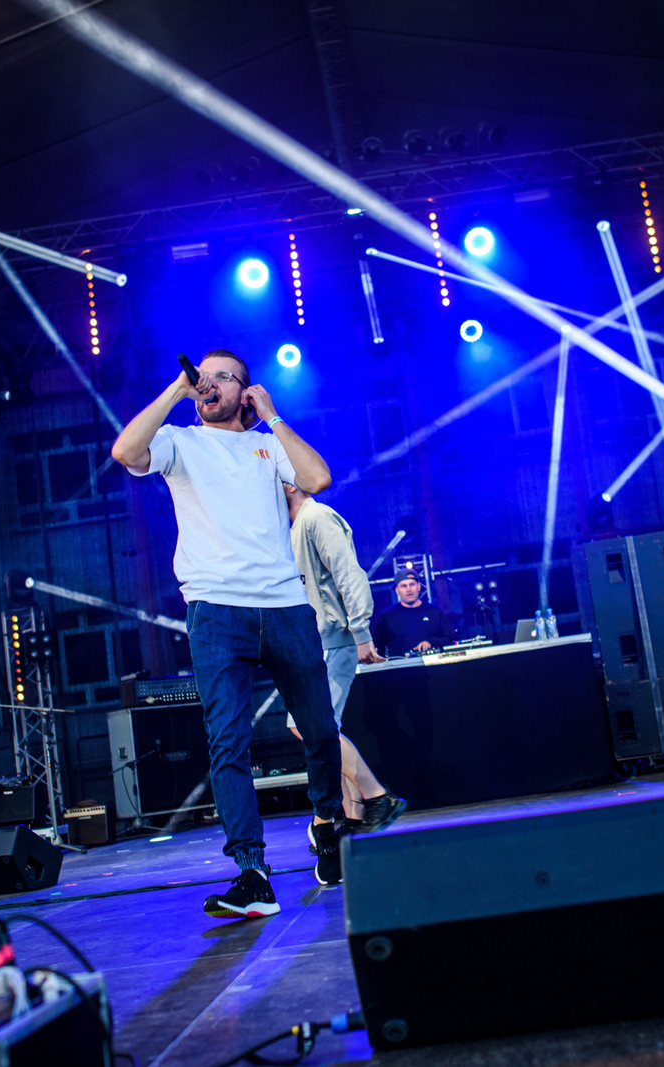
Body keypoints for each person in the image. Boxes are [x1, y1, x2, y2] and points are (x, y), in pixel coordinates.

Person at [113, 349, 346, 921]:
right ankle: (252, 872)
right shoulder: (180, 442)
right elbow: (125, 451)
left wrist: (273, 416)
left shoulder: (267, 445)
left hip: (285, 605)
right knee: (227, 742)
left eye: (223, 376)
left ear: (246, 391)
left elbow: (317, 478)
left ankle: (327, 822)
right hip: (216, 610)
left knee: (320, 730)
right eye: (204, 375)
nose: (208, 382)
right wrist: (176, 390)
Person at [282, 482, 407, 834]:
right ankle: (355, 813)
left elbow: (349, 574)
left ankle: (377, 796)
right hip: (315, 640)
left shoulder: (317, 517)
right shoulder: (296, 526)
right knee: (320, 728)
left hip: (333, 638)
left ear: (290, 483)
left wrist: (360, 631)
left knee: (311, 726)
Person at [373, 570, 454, 656]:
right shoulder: (386, 616)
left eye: (412, 584)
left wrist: (431, 642)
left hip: (433, 662)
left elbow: (449, 639)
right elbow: (377, 646)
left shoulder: (435, 611)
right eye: (404, 586)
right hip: (401, 664)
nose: (408, 589)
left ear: (419, 586)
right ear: (397, 590)